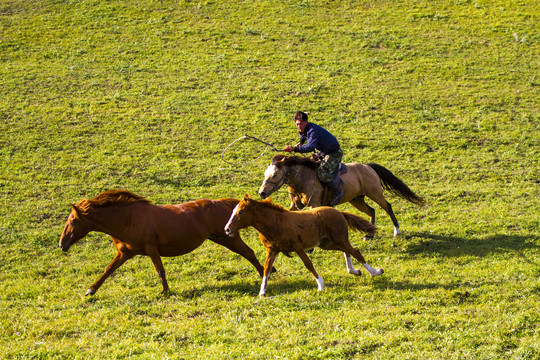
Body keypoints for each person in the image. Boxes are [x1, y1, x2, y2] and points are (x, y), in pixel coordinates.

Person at [284, 111, 344, 206]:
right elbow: (303, 134)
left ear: (306, 122)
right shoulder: (306, 128)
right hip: (324, 152)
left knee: (322, 172)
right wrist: (300, 142)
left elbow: (310, 147)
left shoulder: (312, 131)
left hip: (333, 154)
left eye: (300, 124)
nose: (299, 127)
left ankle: (338, 193)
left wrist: (295, 149)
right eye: (297, 124)